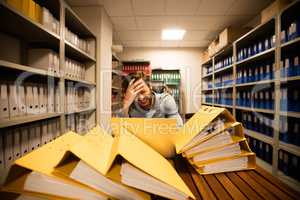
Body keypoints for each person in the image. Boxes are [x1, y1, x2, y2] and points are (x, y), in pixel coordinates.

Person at [119, 73, 183, 127]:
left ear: (150, 87)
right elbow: (119, 130)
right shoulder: (130, 105)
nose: (141, 98)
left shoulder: (166, 101)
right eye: (135, 95)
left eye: (143, 92)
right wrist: (126, 103)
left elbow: (178, 128)